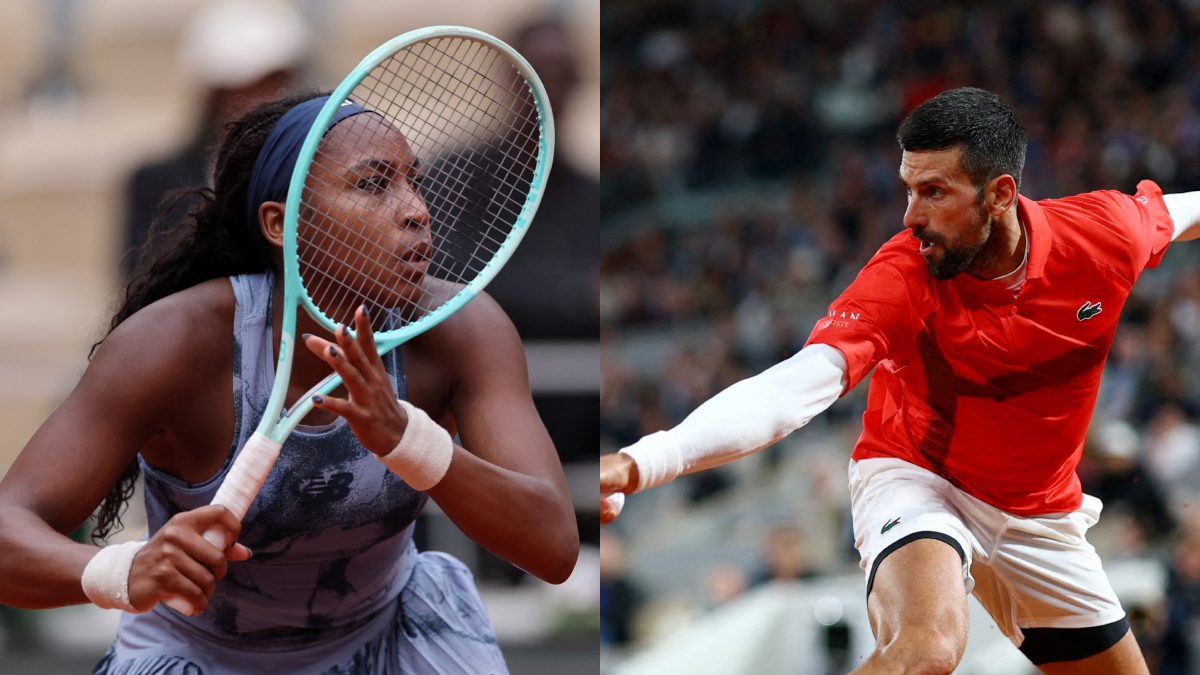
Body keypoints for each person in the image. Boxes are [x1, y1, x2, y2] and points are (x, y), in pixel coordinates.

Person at [601, 87, 1200, 673]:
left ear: (1000, 194)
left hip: (1040, 513)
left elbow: (1188, 211)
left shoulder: (1105, 233)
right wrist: (641, 461)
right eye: (908, 190)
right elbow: (792, 388)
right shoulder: (904, 273)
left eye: (934, 192)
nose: (912, 215)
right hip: (920, 478)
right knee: (927, 648)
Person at [0, 91, 579, 674]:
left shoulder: (463, 330)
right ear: (281, 223)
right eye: (373, 184)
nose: (416, 210)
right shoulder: (171, 345)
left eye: (414, 182)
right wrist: (124, 570)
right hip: (197, 657)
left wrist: (412, 443)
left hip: (389, 643)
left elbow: (553, 543)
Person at [123, 0, 309, 278]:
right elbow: (141, 282)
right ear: (215, 93)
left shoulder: (317, 173)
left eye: (273, 81)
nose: (265, 99)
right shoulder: (154, 181)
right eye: (247, 85)